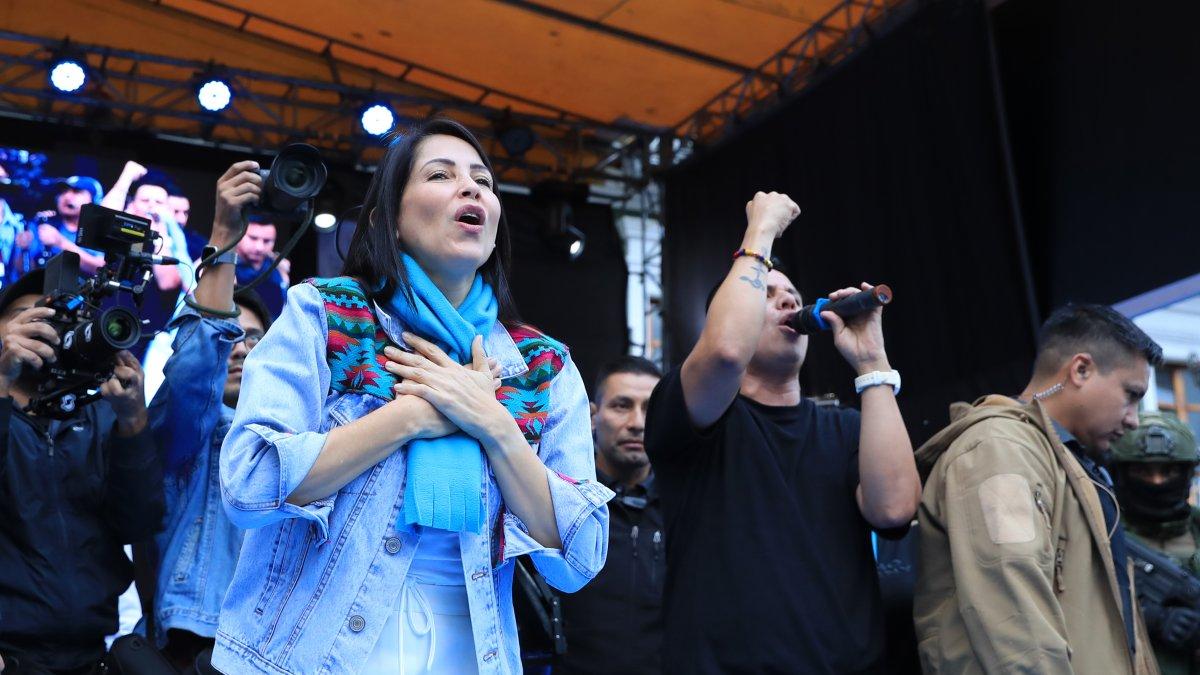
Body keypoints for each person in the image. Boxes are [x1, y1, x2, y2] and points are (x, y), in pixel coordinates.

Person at [213, 117, 612, 674]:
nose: (471, 188)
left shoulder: (542, 365)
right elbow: (249, 484)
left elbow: (581, 556)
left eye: (483, 181)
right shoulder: (325, 313)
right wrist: (415, 416)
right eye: (441, 175)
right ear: (388, 220)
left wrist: (491, 423)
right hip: (308, 652)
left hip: (468, 654)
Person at [643, 191, 921, 673]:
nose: (788, 299)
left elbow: (894, 509)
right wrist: (761, 232)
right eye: (766, 294)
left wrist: (872, 362)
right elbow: (727, 351)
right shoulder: (690, 414)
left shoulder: (847, 428)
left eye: (790, 293)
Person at [913, 303, 1163, 673]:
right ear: (1080, 369)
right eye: (1131, 394)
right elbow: (1012, 611)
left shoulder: (1065, 459)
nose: (1133, 419)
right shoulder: (1000, 449)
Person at [0, 269, 164, 673]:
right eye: (29, 318)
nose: (45, 331)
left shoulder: (98, 417)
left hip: (91, 654)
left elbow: (139, 522)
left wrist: (133, 418)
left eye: (56, 321)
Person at [144, 161, 272, 670]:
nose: (238, 350)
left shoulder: (305, 439)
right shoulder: (189, 432)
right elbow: (194, 377)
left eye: (253, 340)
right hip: (195, 640)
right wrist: (223, 238)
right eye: (229, 338)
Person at [557, 355, 665, 674]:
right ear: (592, 416)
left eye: (650, 408)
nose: (637, 422)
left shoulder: (685, 506)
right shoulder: (564, 502)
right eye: (622, 405)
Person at [1112, 411, 1200, 674]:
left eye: (1169, 471)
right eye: (1142, 471)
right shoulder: (1103, 533)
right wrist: (1150, 617)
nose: (1157, 482)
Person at [32, 176, 103, 274]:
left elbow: (100, 269)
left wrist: (61, 243)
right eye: (63, 191)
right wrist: (25, 248)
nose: (67, 197)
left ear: (94, 200)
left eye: (76, 191)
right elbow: (23, 271)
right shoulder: (45, 223)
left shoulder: (99, 232)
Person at [234, 220, 289, 318]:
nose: (259, 247)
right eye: (253, 238)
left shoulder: (278, 267)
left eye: (267, 241)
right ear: (239, 235)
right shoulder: (224, 264)